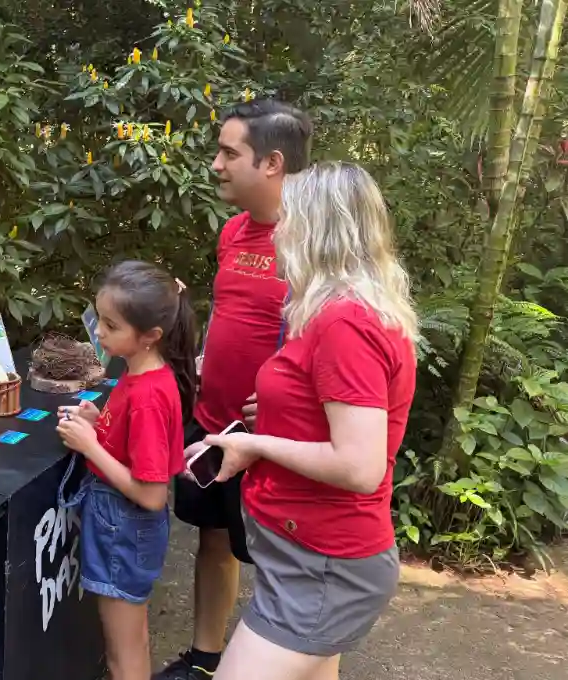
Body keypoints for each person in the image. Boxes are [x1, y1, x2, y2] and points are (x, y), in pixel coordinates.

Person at [205, 162, 418, 680]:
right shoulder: (327, 311)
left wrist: (259, 445)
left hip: (324, 564)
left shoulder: (348, 323)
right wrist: (278, 414)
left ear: (316, 229)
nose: (277, 232)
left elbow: (360, 465)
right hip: (303, 554)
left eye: (287, 219)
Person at [156, 99, 313, 680]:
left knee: (284, 566)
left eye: (229, 153)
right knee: (213, 541)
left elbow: (335, 340)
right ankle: (204, 659)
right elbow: (234, 315)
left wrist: (289, 396)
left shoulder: (312, 243)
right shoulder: (233, 231)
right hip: (213, 420)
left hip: (273, 438)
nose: (216, 164)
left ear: (271, 163)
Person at [55, 261, 198, 680]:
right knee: (131, 636)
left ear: (150, 336)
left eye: (111, 325)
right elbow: (133, 444)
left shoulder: (149, 394)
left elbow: (151, 494)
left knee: (122, 654)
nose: (99, 332)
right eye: (100, 318)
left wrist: (90, 447)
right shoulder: (141, 374)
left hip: (124, 525)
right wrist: (99, 420)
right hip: (122, 525)